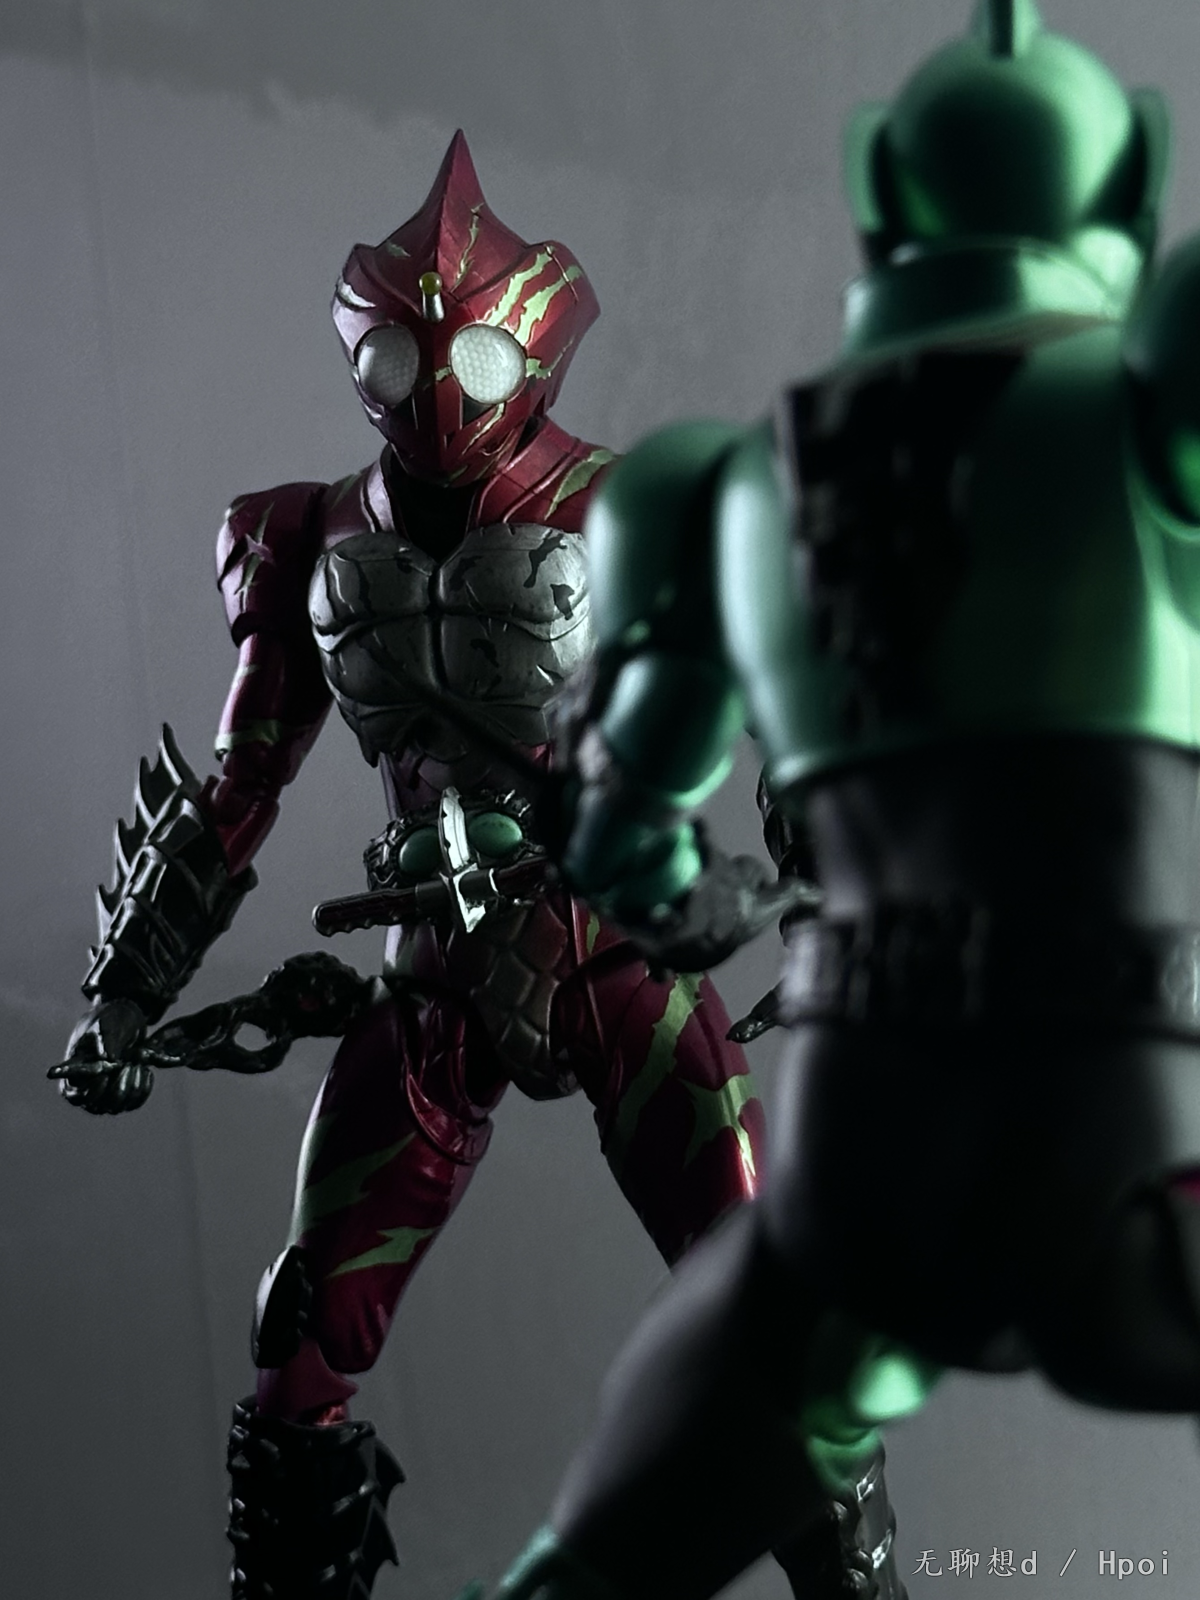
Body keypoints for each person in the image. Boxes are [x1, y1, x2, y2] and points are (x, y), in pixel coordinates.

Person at [51, 132, 903, 1600]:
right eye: (402, 361)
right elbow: (244, 782)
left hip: (620, 961)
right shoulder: (309, 538)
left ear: (540, 350)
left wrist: (839, 897)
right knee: (302, 1342)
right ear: (362, 354)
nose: (439, 393)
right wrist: (126, 998)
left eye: (477, 362)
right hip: (433, 981)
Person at [469, 4, 1200, 1598]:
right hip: (1119, 1129)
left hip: (862, 1163)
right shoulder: (1149, 403)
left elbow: (628, 842)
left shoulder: (716, 486)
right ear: (1137, 179)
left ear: (880, 184)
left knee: (594, 1560)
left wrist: (697, 894)